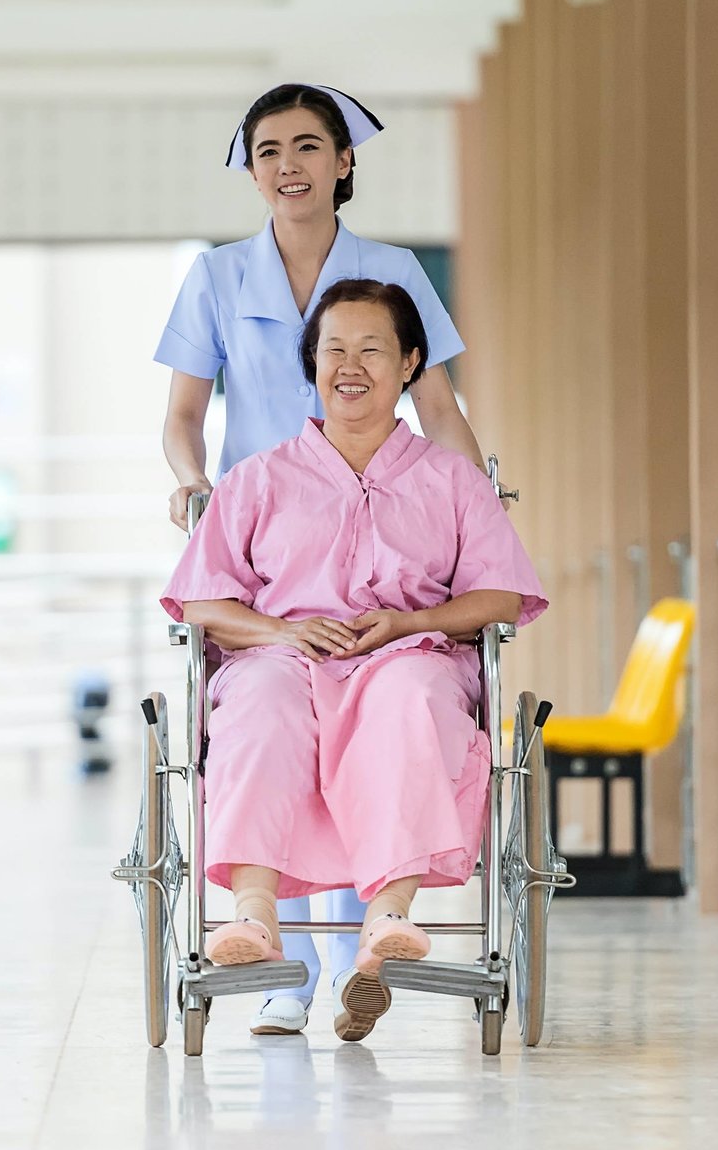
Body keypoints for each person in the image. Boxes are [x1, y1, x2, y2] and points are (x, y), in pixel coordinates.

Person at [156, 83, 489, 1040]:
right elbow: (184, 421)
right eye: (269, 150)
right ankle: (282, 972)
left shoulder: (391, 269)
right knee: (277, 715)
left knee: (377, 709)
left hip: (382, 526)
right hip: (269, 539)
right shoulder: (217, 278)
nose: (289, 165)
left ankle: (352, 963)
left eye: (309, 146)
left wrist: (468, 504)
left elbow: (438, 403)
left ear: (346, 162)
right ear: (251, 168)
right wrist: (192, 488)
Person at [161, 280, 545, 1043]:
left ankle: (388, 917)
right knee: (260, 702)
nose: (350, 365)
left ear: (409, 364)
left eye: (372, 348)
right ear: (311, 365)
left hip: (407, 649)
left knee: (411, 696)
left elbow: (501, 597)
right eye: (333, 348)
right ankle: (254, 915)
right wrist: (278, 632)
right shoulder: (259, 479)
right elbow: (201, 602)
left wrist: (413, 619)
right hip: (282, 652)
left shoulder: (451, 481)